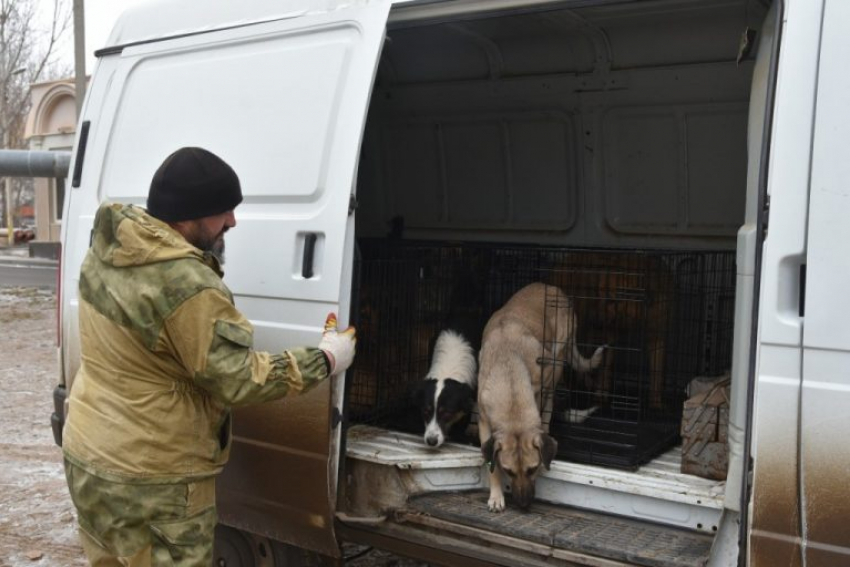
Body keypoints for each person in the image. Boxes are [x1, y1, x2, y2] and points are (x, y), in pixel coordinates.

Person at [61, 147, 356, 566]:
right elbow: (238, 377)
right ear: (187, 215)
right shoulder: (189, 286)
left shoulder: (108, 253)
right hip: (154, 478)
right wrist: (325, 359)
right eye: (222, 211)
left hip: (89, 456)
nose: (232, 222)